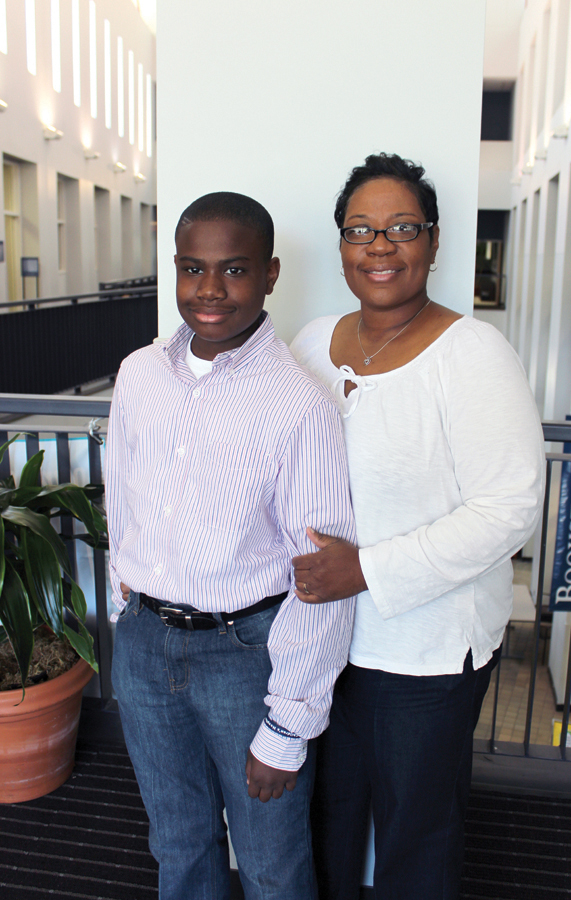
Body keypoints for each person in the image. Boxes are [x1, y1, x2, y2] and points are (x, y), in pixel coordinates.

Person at [290, 153, 545, 900]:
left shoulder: (472, 356)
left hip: (423, 653)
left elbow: (510, 509)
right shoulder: (311, 342)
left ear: (434, 243)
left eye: (402, 227)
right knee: (328, 816)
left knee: (416, 833)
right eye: (360, 229)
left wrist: (367, 568)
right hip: (324, 639)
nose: (379, 245)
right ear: (340, 245)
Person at [105, 191, 356, 900]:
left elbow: (323, 577)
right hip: (146, 647)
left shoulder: (299, 405)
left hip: (246, 660)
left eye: (235, 270)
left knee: (273, 860)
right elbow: (122, 498)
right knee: (177, 845)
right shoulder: (139, 375)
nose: (209, 291)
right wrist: (129, 604)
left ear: (271, 273)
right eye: (192, 268)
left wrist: (290, 724)